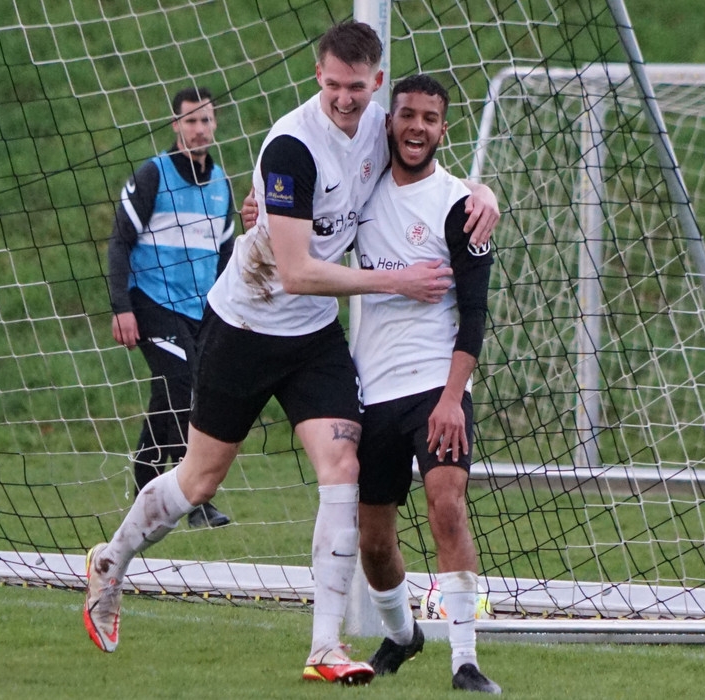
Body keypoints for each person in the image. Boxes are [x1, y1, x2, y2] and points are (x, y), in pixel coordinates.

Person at [83, 21, 498, 684]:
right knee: (199, 480)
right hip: (245, 325)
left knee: (342, 466)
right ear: (317, 78)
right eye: (333, 86)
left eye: (356, 87)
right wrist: (394, 280)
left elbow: (427, 166)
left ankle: (325, 647)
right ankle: (112, 561)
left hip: (312, 338)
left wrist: (483, 193)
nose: (345, 99)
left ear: (377, 82)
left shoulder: (381, 124)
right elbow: (298, 272)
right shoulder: (291, 147)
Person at [352, 74, 501, 694]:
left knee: (447, 505)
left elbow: (475, 313)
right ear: (390, 121)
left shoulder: (461, 206)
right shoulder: (360, 190)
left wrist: (451, 399)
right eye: (407, 115)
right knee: (373, 541)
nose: (417, 127)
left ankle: (464, 660)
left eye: (430, 118)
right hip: (371, 390)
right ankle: (402, 633)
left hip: (437, 385)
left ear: (444, 129)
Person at [107, 87, 234, 530]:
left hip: (199, 312)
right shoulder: (153, 175)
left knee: (174, 395)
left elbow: (225, 257)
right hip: (151, 302)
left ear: (215, 124)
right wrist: (121, 306)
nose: (199, 129)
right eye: (191, 120)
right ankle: (193, 499)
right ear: (176, 125)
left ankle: (146, 485)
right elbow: (120, 242)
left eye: (206, 120)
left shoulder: (221, 184)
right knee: (182, 385)